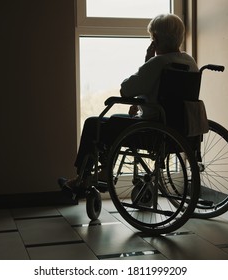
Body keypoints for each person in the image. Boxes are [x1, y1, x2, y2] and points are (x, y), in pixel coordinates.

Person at [58, 13, 198, 198]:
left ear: (155, 39)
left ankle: (83, 178)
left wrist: (147, 60)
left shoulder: (157, 63)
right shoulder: (190, 62)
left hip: (150, 132)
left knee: (95, 123)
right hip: (179, 130)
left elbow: (126, 90)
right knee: (116, 123)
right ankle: (101, 171)